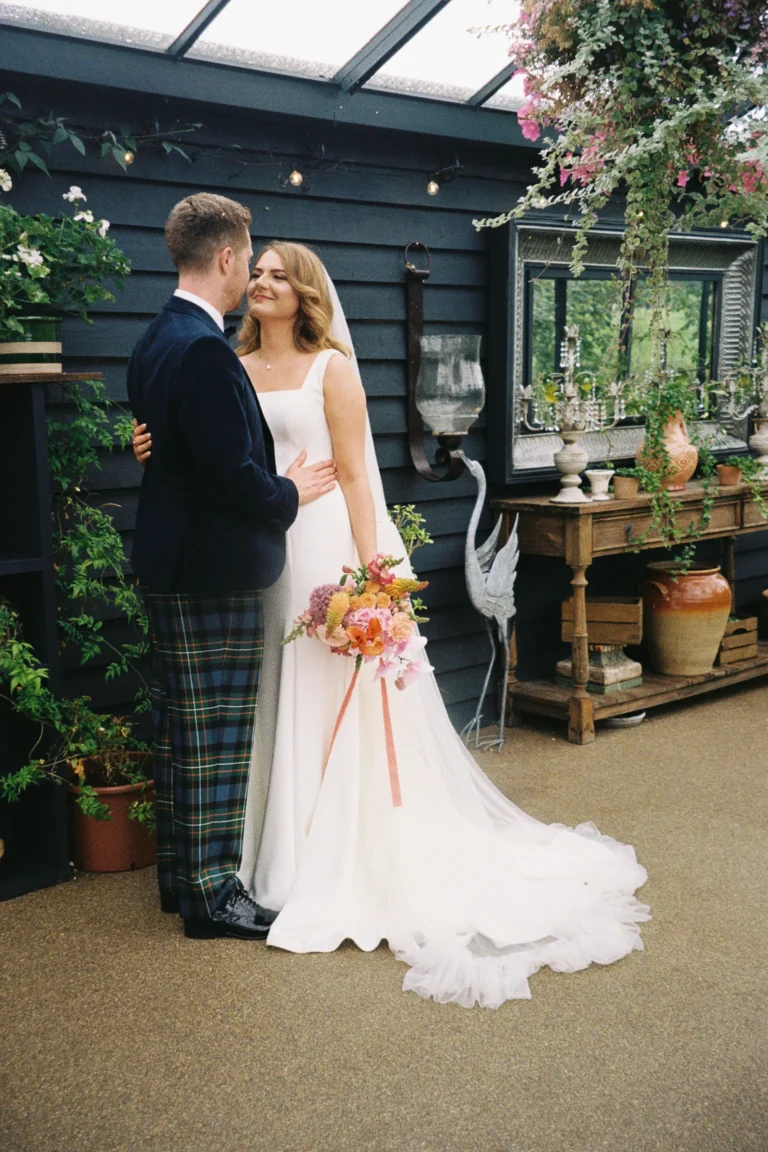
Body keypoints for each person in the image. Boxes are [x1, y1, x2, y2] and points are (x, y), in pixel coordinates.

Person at [133, 240, 650, 1007]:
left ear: (307, 292)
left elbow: (353, 473)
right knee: (270, 692)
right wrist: (148, 442)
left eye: (280, 275)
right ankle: (262, 851)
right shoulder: (226, 363)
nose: (264, 284)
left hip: (323, 546)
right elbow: (205, 454)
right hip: (259, 556)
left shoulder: (331, 369)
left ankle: (334, 850)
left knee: (328, 683)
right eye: (259, 272)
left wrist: (374, 573)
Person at [127, 199, 336, 941]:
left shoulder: (158, 335)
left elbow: (169, 441)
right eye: (248, 259)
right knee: (214, 733)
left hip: (171, 559)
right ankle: (215, 898)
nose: (250, 271)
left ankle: (180, 880)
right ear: (225, 259)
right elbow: (230, 477)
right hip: (212, 567)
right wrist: (289, 493)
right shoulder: (207, 349)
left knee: (180, 728)